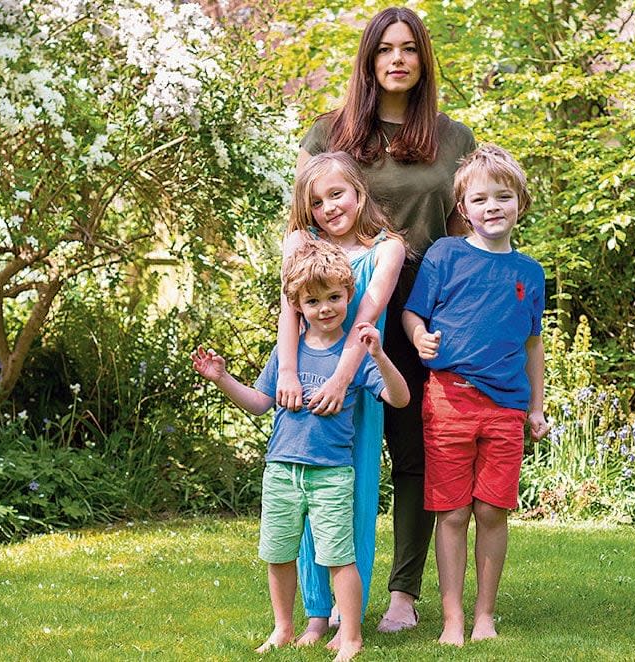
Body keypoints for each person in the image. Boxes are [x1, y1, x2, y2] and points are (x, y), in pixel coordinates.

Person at [284, 6, 476, 633]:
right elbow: (303, 230)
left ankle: (403, 593)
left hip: (420, 308)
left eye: (410, 49)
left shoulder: (453, 139)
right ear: (368, 61)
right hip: (341, 308)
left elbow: (458, 231)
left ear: (423, 60)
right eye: (385, 49)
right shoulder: (328, 133)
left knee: (415, 450)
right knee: (330, 454)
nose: (398, 59)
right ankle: (325, 606)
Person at [192, 240, 410, 661]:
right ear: (296, 305)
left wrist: (380, 354)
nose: (325, 307)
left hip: (331, 473)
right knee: (278, 553)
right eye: (313, 300)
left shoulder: (358, 354)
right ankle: (283, 628)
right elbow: (259, 403)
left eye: (334, 297)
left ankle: (350, 636)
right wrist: (222, 379)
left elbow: (399, 398)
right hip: (281, 471)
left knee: (338, 557)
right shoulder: (285, 353)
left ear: (349, 295)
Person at [401, 145, 549, 646]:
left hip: (506, 408)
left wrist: (536, 407)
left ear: (520, 203)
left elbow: (534, 343)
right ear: (463, 208)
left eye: (503, 197)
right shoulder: (445, 254)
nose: (492, 207)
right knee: (453, 511)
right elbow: (412, 313)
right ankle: (452, 620)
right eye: (480, 199)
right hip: (448, 398)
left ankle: (484, 615)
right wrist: (419, 336)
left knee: (491, 511)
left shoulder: (529, 272)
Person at [276, 152, 406, 646]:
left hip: (358, 386)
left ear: (358, 192)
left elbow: (367, 318)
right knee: (306, 493)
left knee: (351, 495)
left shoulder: (386, 249)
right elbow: (288, 315)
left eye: (337, 194)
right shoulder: (298, 244)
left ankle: (344, 616)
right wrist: (288, 372)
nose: (329, 206)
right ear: (306, 209)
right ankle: (314, 613)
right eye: (317, 201)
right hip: (303, 384)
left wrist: (341, 382)